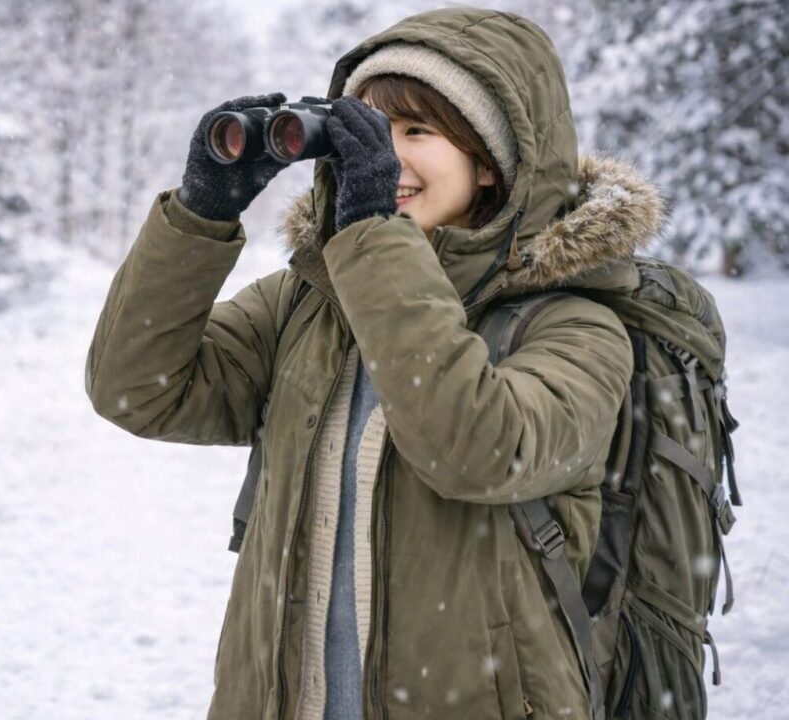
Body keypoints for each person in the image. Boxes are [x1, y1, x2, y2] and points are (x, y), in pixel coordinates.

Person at [86, 7, 666, 719]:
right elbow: (138, 391)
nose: (386, 159)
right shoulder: (308, 303)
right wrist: (204, 212)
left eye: (415, 131)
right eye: (365, 133)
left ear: (490, 161)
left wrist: (370, 231)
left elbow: (476, 450)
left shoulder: (574, 326)